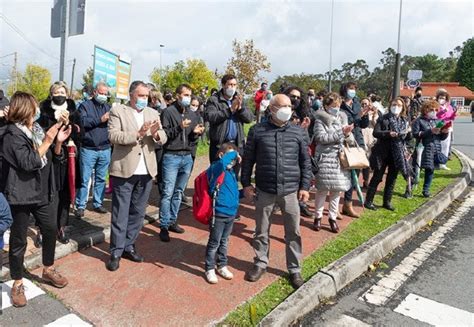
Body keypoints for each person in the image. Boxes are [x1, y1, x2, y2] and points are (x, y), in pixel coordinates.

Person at [2, 91, 71, 307]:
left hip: (42, 190)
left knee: (50, 228)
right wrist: (49, 139)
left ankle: (48, 268)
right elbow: (29, 162)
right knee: (19, 240)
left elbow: (52, 157)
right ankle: (17, 281)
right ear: (25, 109)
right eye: (34, 107)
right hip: (21, 195)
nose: (37, 111)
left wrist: (57, 142)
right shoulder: (11, 134)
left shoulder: (37, 129)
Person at [241, 94, 311, 289]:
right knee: (261, 230)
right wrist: (246, 183)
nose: (287, 109)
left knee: (293, 232)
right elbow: (248, 160)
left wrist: (305, 187)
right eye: (282, 106)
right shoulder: (257, 131)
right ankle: (260, 262)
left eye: (289, 106)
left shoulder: (297, 133)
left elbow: (305, 162)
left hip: (290, 191)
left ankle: (294, 269)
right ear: (271, 108)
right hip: (265, 189)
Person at [106, 81, 167, 271]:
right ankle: (115, 251)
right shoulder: (119, 111)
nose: (144, 99)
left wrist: (156, 135)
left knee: (138, 213)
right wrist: (138, 134)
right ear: (131, 95)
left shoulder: (152, 112)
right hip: (124, 169)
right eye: (141, 96)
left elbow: (163, 137)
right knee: (120, 213)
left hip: (146, 171)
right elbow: (113, 136)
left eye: (146, 96)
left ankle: (128, 245)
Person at [159, 84, 204, 242]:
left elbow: (191, 138)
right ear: (178, 96)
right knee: (167, 192)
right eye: (185, 95)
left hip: (186, 157)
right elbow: (164, 135)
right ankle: (163, 225)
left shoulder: (192, 114)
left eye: (190, 95)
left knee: (178, 192)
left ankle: (172, 221)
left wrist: (195, 133)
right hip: (171, 156)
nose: (188, 98)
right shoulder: (168, 112)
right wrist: (179, 127)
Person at [38, 81, 80, 244]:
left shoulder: (73, 111)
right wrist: (57, 124)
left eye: (63, 92)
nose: (60, 95)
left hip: (67, 158)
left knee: (64, 193)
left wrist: (69, 123)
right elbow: (40, 133)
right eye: (57, 92)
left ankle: (61, 226)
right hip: (48, 156)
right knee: (48, 193)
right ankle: (43, 229)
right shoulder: (44, 111)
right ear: (51, 94)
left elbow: (80, 133)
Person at [312, 93, 354, 233]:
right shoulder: (320, 120)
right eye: (332, 106)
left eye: (337, 105)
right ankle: (317, 217)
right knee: (322, 190)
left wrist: (347, 134)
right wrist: (341, 133)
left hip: (339, 159)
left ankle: (332, 218)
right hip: (325, 158)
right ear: (326, 106)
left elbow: (350, 140)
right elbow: (321, 138)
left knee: (337, 190)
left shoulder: (343, 118)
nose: (336, 108)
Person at [364, 97, 412, 211]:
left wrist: (409, 132)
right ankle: (369, 201)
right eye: (394, 105)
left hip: (397, 153)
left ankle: (387, 202)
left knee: (392, 178)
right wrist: (388, 134)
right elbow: (376, 132)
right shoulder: (383, 118)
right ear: (390, 106)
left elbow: (409, 138)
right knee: (377, 177)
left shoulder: (404, 120)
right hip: (382, 153)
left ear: (403, 108)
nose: (396, 107)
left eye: (399, 105)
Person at [204, 143, 241, 284]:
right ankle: (209, 267)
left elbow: (234, 193)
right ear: (221, 155)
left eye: (234, 158)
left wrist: (245, 193)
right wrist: (235, 154)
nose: (233, 160)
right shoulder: (216, 169)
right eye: (231, 157)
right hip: (218, 213)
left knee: (224, 241)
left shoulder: (231, 173)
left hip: (231, 213)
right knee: (214, 242)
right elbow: (224, 162)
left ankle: (222, 265)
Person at [75, 82, 111, 219]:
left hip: (105, 148)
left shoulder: (108, 107)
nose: (103, 96)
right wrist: (100, 119)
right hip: (88, 148)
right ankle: (80, 205)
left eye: (105, 94)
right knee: (84, 178)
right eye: (101, 93)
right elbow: (82, 122)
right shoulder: (85, 106)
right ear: (95, 92)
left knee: (101, 178)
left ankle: (98, 203)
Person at [204, 74, 253, 165]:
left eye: (234, 85)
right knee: (219, 175)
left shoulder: (239, 99)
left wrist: (240, 109)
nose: (232, 87)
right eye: (230, 84)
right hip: (220, 145)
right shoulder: (214, 100)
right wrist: (230, 110)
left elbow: (249, 118)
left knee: (234, 175)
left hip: (237, 144)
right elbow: (211, 117)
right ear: (223, 85)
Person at [339, 82, 370, 218]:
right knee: (342, 174)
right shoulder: (339, 105)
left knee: (355, 174)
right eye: (350, 89)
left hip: (358, 141)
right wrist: (359, 116)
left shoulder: (357, 104)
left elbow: (363, 124)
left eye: (354, 89)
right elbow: (347, 123)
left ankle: (348, 203)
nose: (352, 91)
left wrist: (365, 115)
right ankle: (336, 206)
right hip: (345, 141)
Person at [283, 86, 312, 218]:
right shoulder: (280, 111)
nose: (295, 99)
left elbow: (307, 139)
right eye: (292, 96)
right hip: (285, 152)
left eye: (298, 97)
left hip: (299, 152)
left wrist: (302, 129)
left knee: (302, 178)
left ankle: (301, 204)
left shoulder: (303, 115)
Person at [412, 100, 449, 198]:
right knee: (416, 169)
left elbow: (441, 138)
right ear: (425, 110)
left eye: (436, 110)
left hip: (435, 148)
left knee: (430, 170)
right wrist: (430, 131)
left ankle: (426, 190)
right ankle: (410, 188)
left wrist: (445, 132)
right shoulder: (419, 120)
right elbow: (415, 134)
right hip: (422, 148)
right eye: (431, 109)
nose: (434, 111)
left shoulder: (437, 121)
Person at [360, 97, 382, 188]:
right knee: (358, 162)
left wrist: (374, 114)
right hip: (361, 139)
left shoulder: (375, 114)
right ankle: (355, 182)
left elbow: (376, 124)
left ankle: (366, 181)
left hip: (370, 140)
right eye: (363, 104)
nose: (365, 106)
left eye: (366, 104)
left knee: (367, 163)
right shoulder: (359, 113)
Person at [435, 89, 456, 170]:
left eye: (443, 98)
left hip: (447, 127)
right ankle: (436, 162)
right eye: (440, 97)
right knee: (437, 145)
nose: (442, 99)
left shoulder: (449, 106)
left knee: (446, 146)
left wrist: (453, 115)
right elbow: (435, 115)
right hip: (438, 126)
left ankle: (443, 163)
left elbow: (451, 117)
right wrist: (443, 111)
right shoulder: (435, 105)